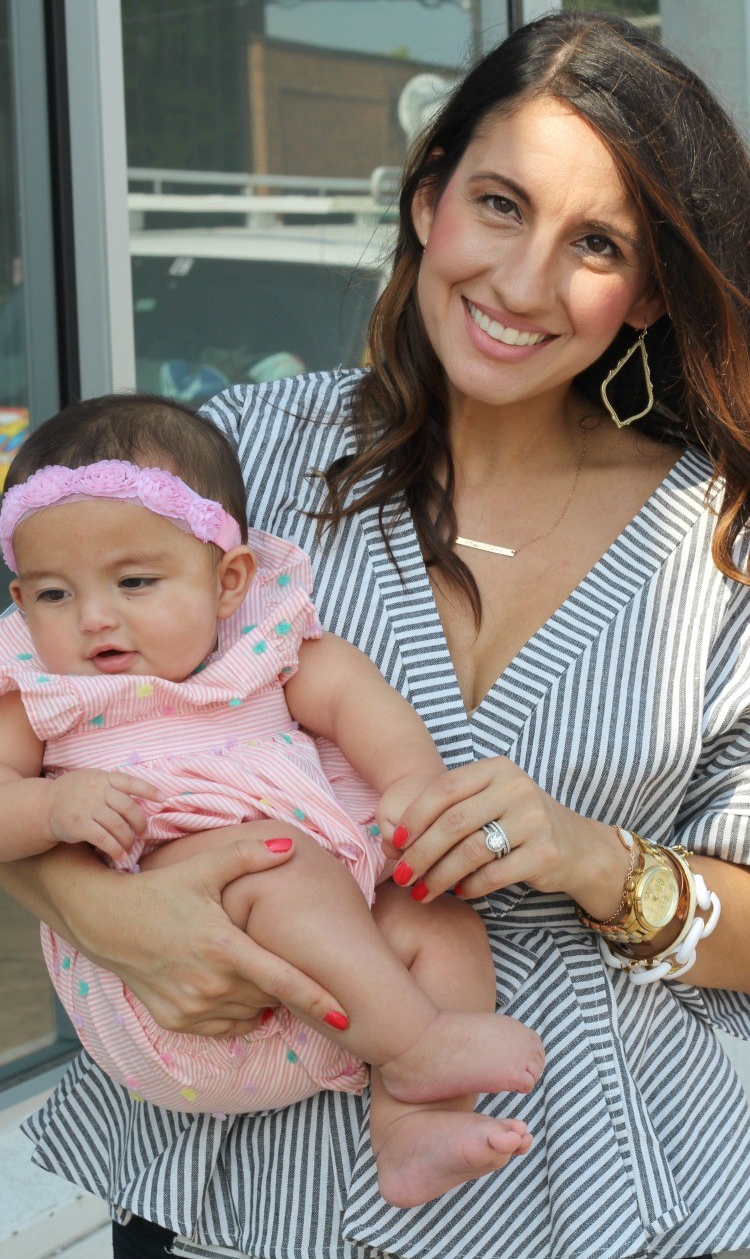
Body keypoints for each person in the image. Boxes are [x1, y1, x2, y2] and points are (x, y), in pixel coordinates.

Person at [2, 7, 750, 1259]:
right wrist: (101, 911)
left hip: (611, 1197)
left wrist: (595, 861)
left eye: (597, 242)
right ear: (428, 199)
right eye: (500, 205)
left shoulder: (723, 540)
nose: (520, 283)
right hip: (237, 1193)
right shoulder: (240, 454)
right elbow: (46, 712)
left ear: (645, 295)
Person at [0, 394, 544, 1208]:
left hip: (333, 974)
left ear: (228, 582)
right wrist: (50, 809)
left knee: (436, 917)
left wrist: (408, 784)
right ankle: (421, 1043)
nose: (94, 618)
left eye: (135, 580)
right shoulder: (38, 687)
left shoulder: (263, 643)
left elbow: (355, 700)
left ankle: (409, 1124)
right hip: (172, 998)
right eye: (52, 594)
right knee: (277, 866)